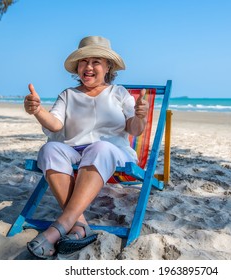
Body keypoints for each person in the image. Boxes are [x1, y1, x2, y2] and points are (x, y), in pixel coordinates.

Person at [23, 35, 148, 259]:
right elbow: (55, 124)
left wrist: (140, 116)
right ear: (77, 67)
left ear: (108, 66)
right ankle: (79, 226)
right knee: (49, 150)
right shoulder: (68, 95)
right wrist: (37, 111)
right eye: (83, 61)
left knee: (100, 147)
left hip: (110, 154)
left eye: (96, 61)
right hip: (74, 154)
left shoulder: (119, 93)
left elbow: (135, 129)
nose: (88, 67)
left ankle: (58, 228)